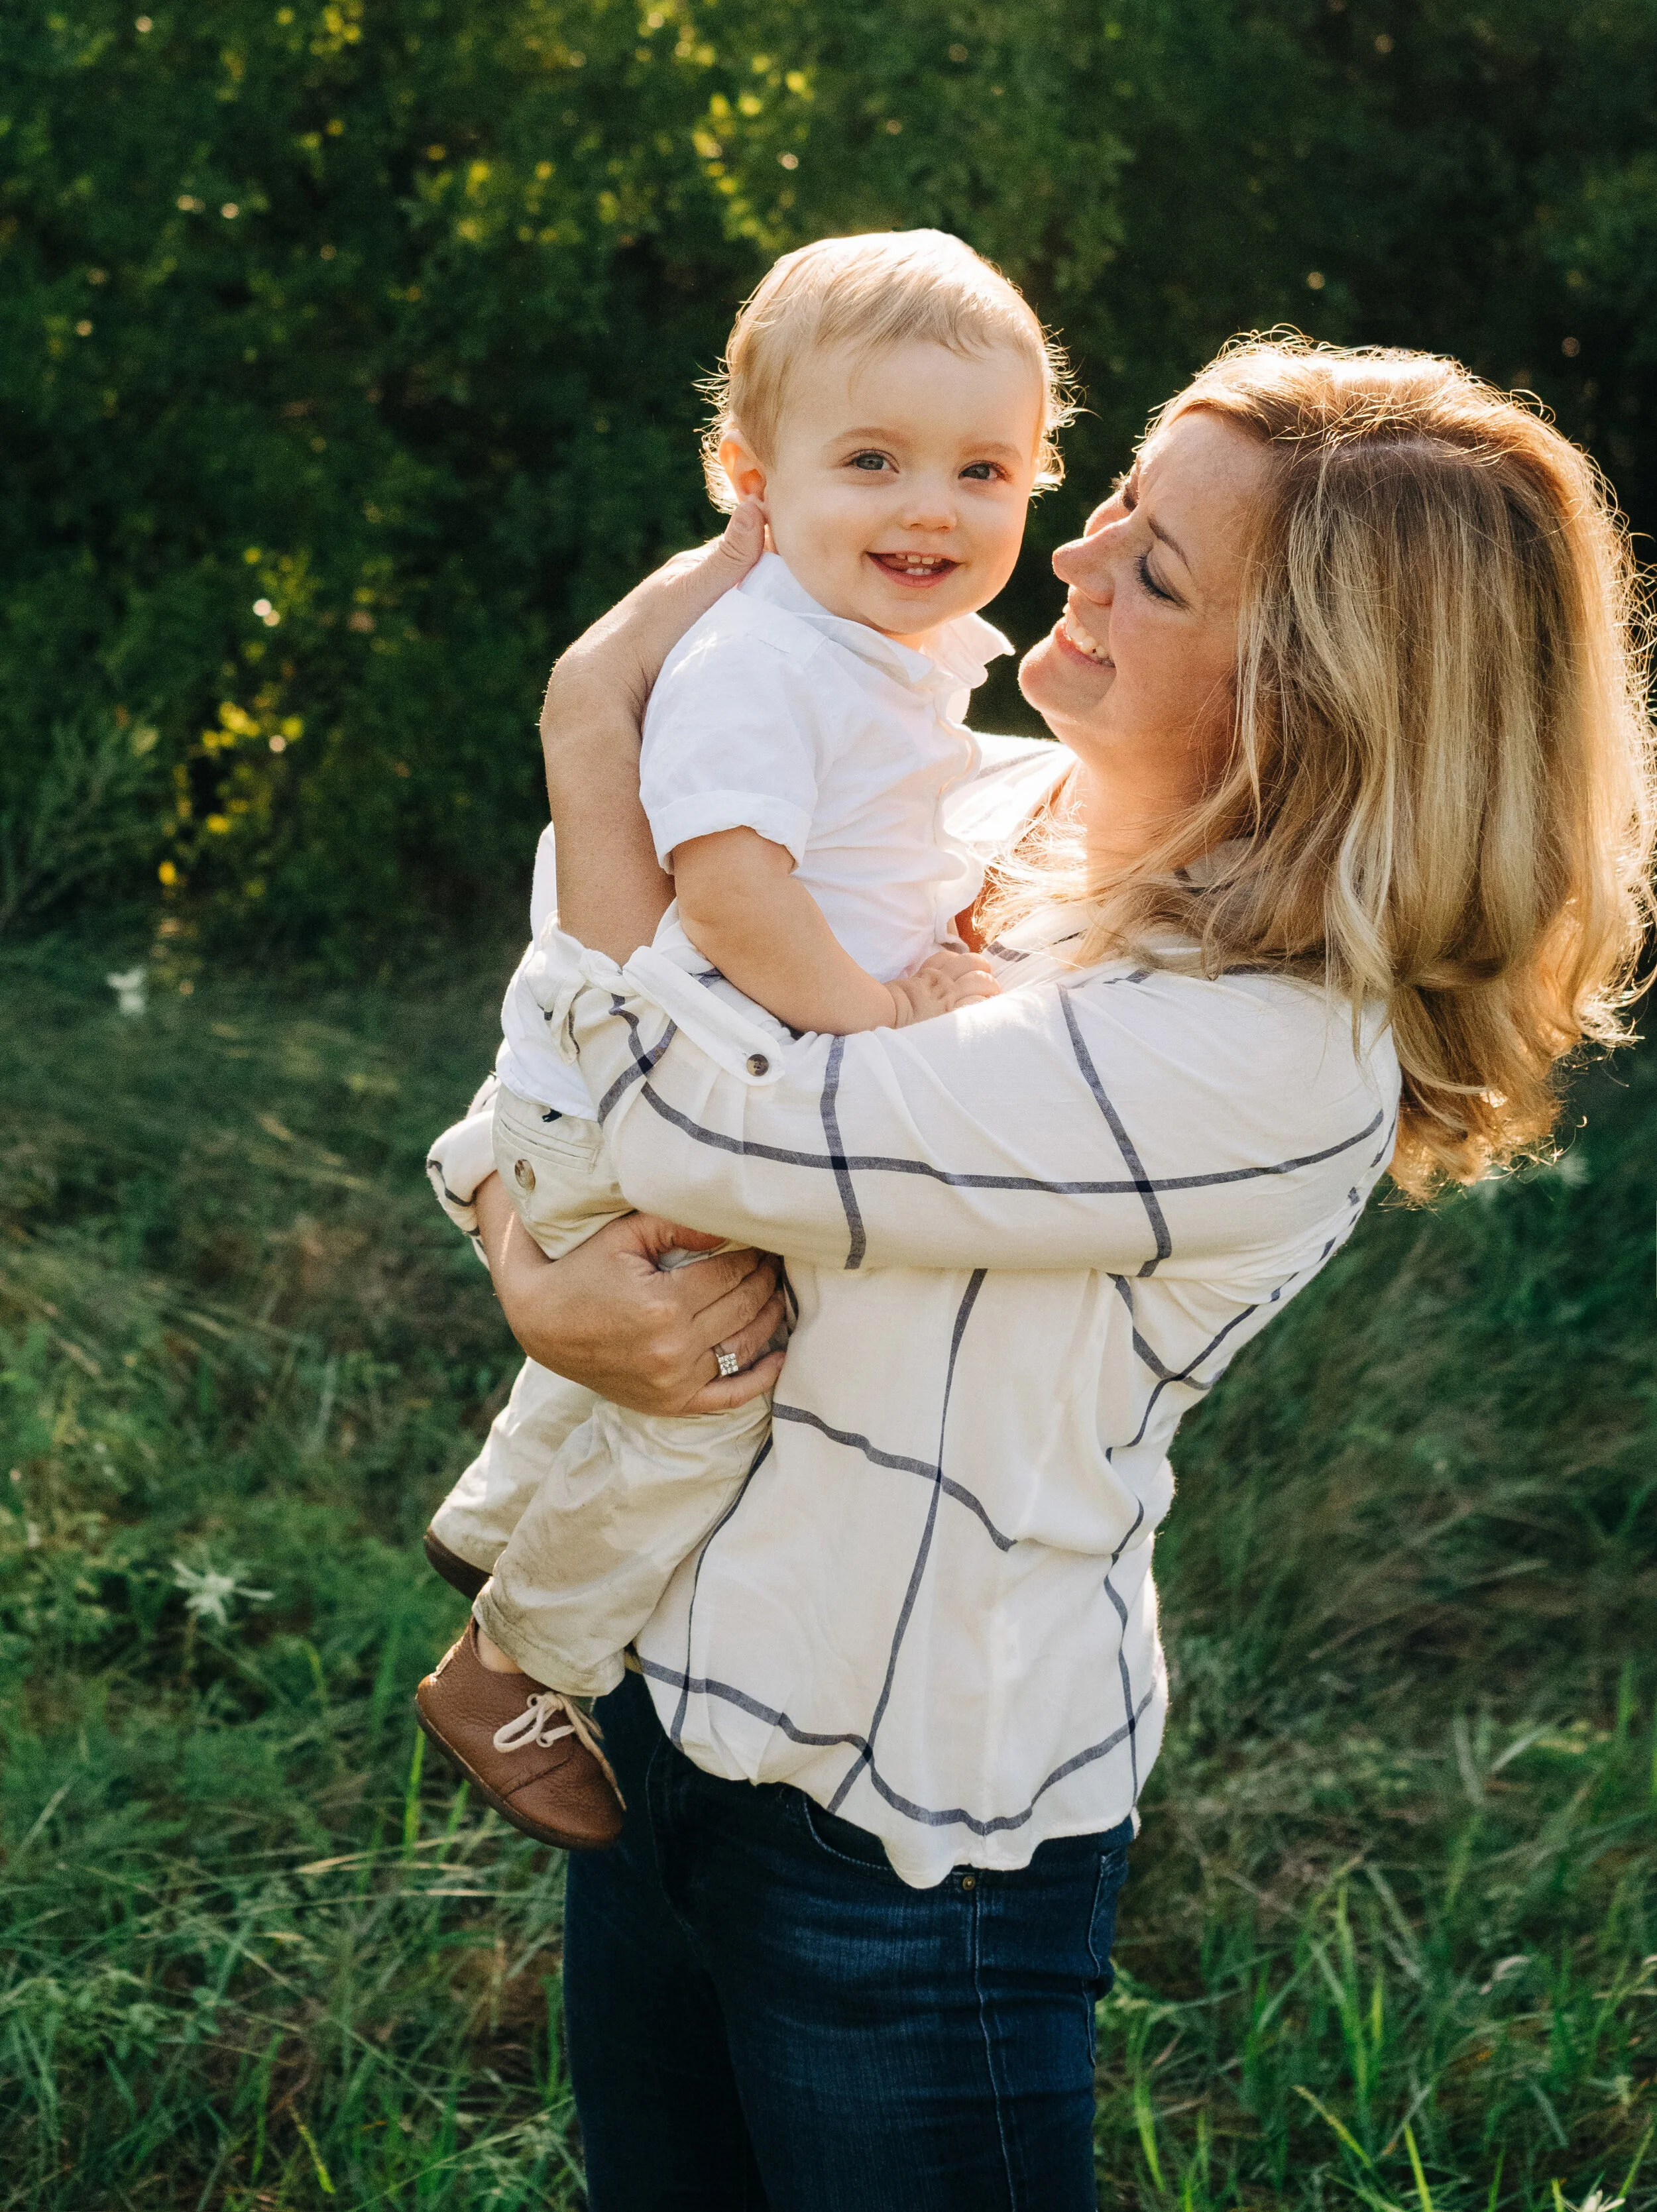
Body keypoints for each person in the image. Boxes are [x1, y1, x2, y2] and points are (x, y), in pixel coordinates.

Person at [436, 337, 1654, 2209]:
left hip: (898, 1850)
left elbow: (669, 1116)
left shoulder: (1255, 1054)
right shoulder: (987, 815)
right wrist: (534, 1264)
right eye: (1106, 509)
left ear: (1307, 700)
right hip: (663, 1715)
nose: (1063, 563)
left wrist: (593, 728)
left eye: (1152, 569)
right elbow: (559, 1071)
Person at [415, 230, 1076, 1849]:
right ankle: (514, 1659)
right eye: (871, 460)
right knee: (707, 1395)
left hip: (638, 1071)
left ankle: (493, 1511)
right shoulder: (765, 661)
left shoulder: (876, 653)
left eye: (980, 468)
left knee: (647, 1302)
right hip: (655, 1067)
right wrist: (871, 1025)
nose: (931, 507)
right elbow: (724, 887)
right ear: (749, 480)